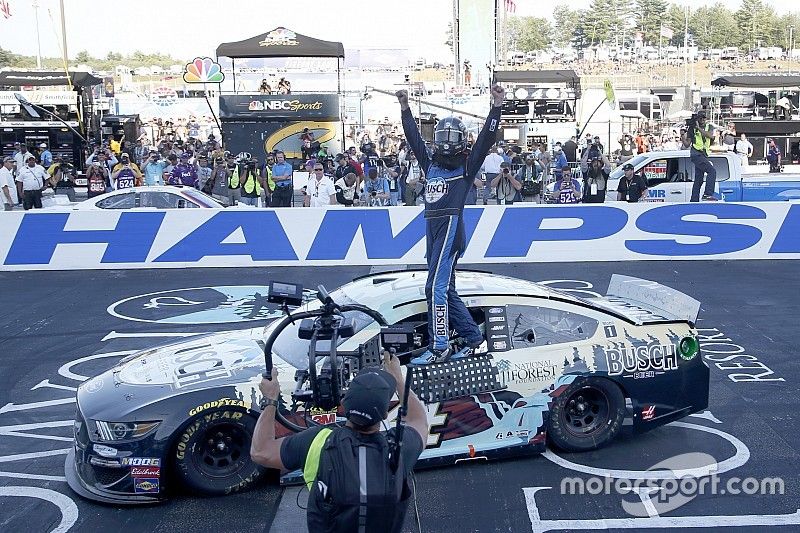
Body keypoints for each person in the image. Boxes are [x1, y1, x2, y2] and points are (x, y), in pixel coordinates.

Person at [250, 352, 428, 533]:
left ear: (344, 402)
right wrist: (398, 377)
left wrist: (270, 400)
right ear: (384, 415)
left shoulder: (318, 440)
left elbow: (260, 451)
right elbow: (419, 420)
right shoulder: (398, 448)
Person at [397, 83, 504, 364]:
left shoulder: (467, 167)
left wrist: (496, 106)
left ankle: (440, 346)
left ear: (461, 140)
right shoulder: (429, 163)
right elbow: (413, 139)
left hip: (450, 227)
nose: (445, 140)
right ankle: (472, 338)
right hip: (432, 227)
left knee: (434, 288)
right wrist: (406, 109)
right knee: (445, 288)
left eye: (451, 135)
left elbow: (486, 138)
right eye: (442, 134)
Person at [684, 110, 717, 201]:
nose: (702, 120)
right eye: (700, 118)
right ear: (697, 119)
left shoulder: (709, 126)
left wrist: (699, 128)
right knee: (712, 171)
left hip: (703, 154)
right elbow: (687, 144)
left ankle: (694, 200)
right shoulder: (692, 128)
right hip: (696, 154)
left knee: (698, 179)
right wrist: (683, 136)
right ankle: (707, 194)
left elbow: (710, 136)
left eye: (703, 118)